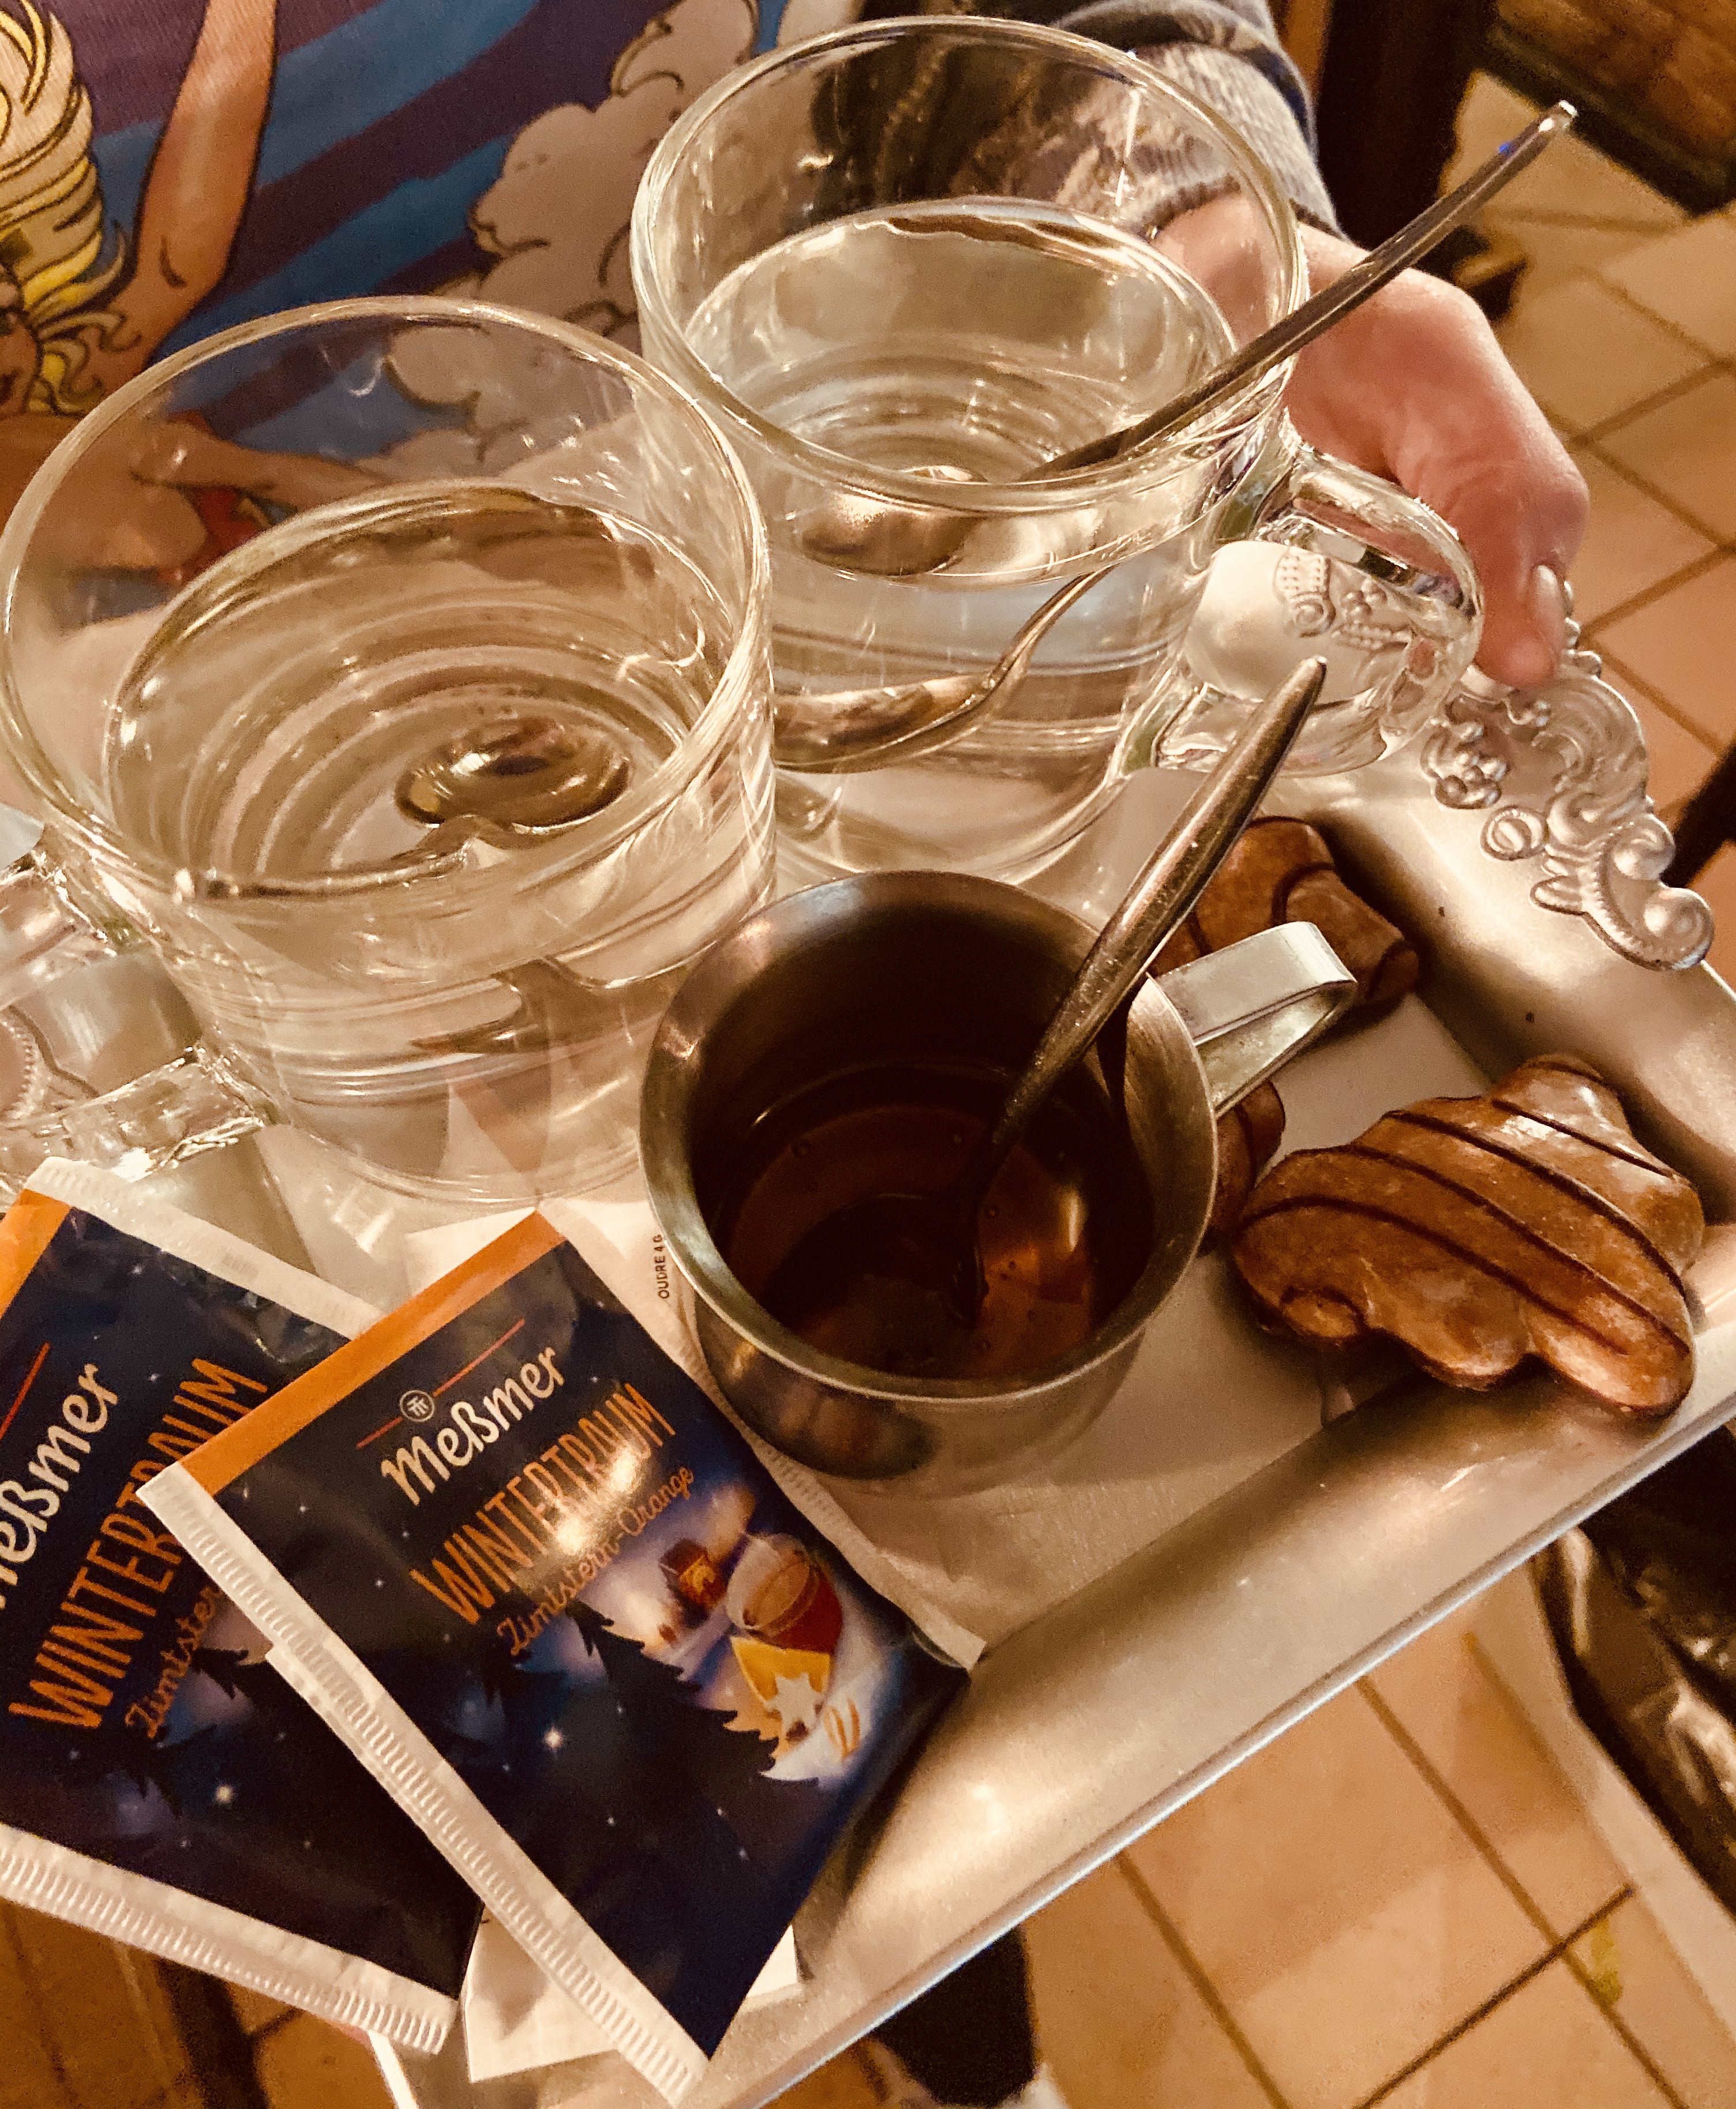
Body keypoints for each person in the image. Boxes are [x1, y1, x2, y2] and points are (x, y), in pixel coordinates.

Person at [0, 3, 1585, 2106]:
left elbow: (1070, 39)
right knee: (763, 1808)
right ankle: (932, 2017)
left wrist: (1206, 224)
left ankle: (949, 2013)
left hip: (788, 635)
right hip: (256, 817)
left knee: (846, 1750)